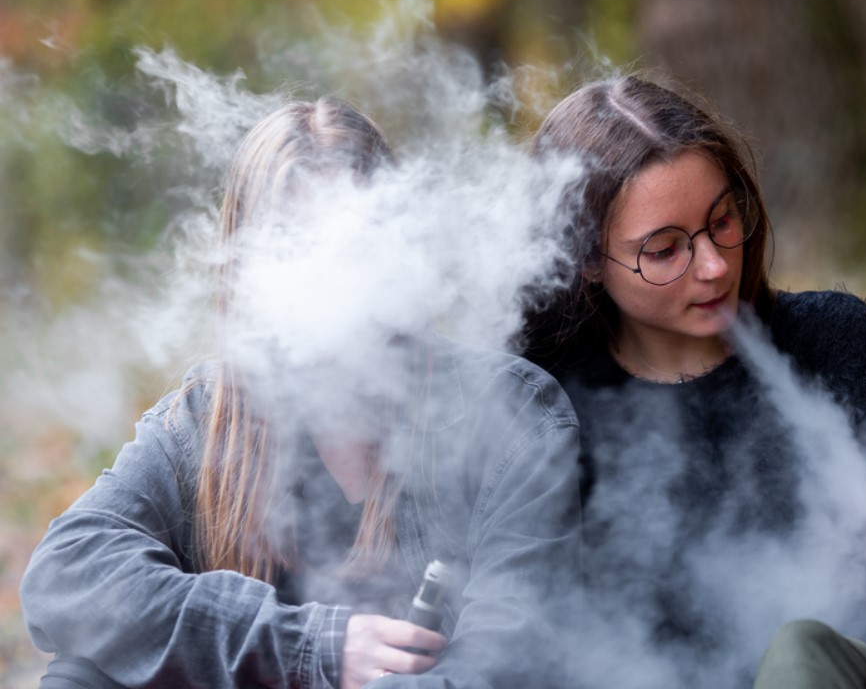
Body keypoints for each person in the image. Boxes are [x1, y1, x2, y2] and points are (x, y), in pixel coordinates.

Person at [21, 97, 582, 689]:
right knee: (81, 671)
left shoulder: (512, 414)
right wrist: (312, 646)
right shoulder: (206, 417)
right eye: (293, 244)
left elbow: (505, 663)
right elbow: (67, 575)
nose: (326, 273)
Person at [520, 75, 866, 689]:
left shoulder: (832, 341)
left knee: (799, 652)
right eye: (664, 250)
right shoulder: (540, 403)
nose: (714, 265)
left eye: (722, 220)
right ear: (585, 260)